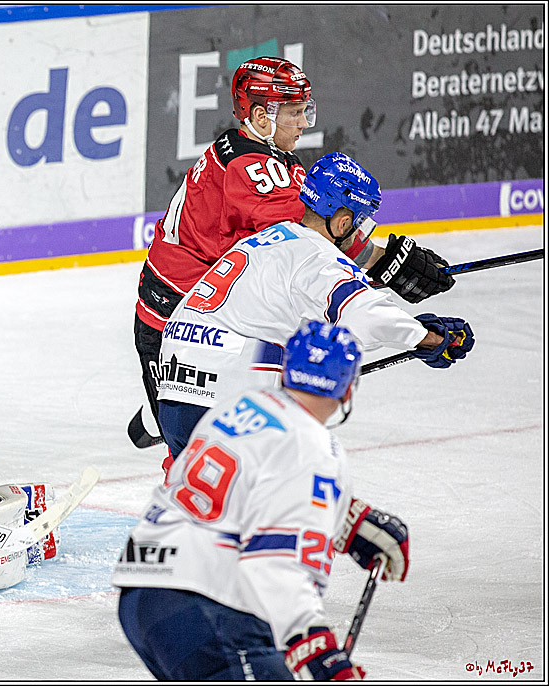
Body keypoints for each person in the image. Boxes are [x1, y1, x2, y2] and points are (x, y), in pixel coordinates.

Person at [135, 56, 455, 460]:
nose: (304, 122)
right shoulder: (247, 166)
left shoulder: (273, 158)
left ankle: (160, 418)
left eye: (306, 110)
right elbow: (307, 235)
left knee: (215, 429)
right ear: (260, 116)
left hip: (220, 310)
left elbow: (312, 240)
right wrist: (384, 261)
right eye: (295, 112)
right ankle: (173, 487)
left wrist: (381, 264)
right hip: (172, 311)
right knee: (193, 455)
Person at [113, 321, 411, 680]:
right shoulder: (316, 448)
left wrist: (343, 523)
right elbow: (276, 561)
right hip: (206, 603)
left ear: (286, 372)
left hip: (141, 594)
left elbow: (247, 489)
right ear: (348, 388)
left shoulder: (241, 406)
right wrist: (313, 645)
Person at [155, 151, 475, 458]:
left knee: (201, 500)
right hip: (226, 403)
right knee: (275, 498)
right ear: (342, 222)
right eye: (359, 222)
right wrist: (428, 338)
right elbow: (363, 315)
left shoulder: (263, 241)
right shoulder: (318, 256)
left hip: (173, 390)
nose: (359, 232)